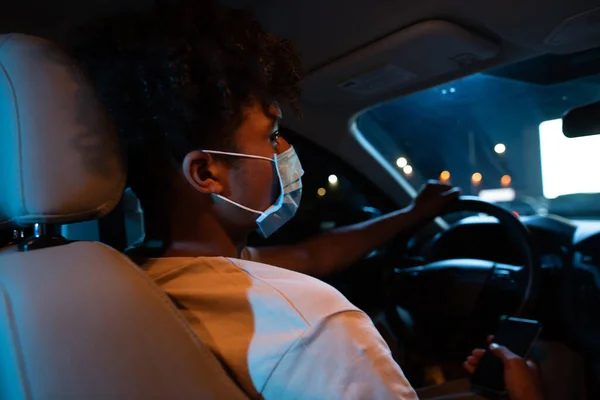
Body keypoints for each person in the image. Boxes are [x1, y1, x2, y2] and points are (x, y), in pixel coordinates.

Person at [72, 2, 543, 399]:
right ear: (206, 173)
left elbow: (312, 254)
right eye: (272, 135)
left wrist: (414, 214)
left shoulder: (131, 280)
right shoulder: (311, 324)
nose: (283, 152)